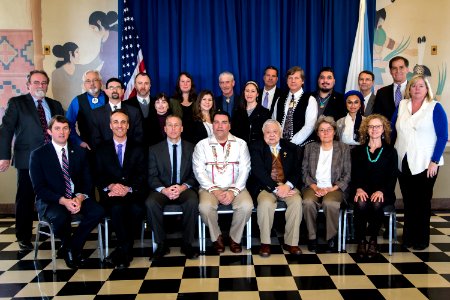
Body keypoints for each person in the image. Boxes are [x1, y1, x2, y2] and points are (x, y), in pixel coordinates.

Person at [0, 70, 64, 251]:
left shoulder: (55, 104)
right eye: (36, 82)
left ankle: (50, 230)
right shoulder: (17, 103)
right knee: (25, 198)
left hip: (52, 159)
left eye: (44, 83)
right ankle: (23, 236)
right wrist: (4, 155)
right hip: (27, 159)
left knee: (52, 195)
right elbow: (6, 130)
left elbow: (61, 130)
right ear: (28, 85)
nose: (40, 86)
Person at [29, 115, 104, 268]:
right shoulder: (38, 155)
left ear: (70, 131)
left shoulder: (80, 152)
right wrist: (64, 201)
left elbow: (87, 180)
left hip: (76, 197)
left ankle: (71, 246)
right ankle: (70, 249)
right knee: (61, 216)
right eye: (57, 128)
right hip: (52, 201)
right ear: (49, 131)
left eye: (65, 128)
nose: (61, 132)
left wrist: (80, 198)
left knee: (98, 211)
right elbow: (39, 188)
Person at [393, 74, 448, 250]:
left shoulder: (435, 107)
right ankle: (408, 236)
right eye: (414, 85)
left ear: (427, 89)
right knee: (408, 201)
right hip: (403, 161)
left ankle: (421, 239)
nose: (417, 88)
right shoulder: (402, 105)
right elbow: (393, 131)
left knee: (422, 202)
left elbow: (442, 136)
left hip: (426, 163)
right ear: (409, 88)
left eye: (421, 86)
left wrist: (434, 161)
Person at [193, 111, 253, 254]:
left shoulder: (241, 144)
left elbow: (245, 169)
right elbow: (198, 171)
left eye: (224, 122)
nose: (220, 126)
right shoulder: (202, 145)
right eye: (216, 122)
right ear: (212, 125)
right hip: (210, 188)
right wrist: (215, 190)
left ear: (230, 126)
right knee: (205, 207)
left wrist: (233, 191)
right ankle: (217, 237)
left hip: (236, 186)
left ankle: (234, 238)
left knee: (247, 205)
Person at [95, 110, 147, 269]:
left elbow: (142, 174)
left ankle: (122, 250)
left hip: (132, 193)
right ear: (110, 125)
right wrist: (111, 186)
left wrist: (128, 188)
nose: (120, 125)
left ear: (128, 125)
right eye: (116, 122)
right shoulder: (101, 148)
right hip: (111, 195)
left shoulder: (138, 147)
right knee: (117, 209)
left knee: (137, 209)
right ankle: (126, 250)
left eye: (123, 122)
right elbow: (97, 174)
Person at [146, 115, 199, 260]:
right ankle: (161, 244)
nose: (173, 128)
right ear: (165, 129)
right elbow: (151, 176)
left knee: (192, 201)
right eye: (170, 125)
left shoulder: (192, 148)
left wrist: (183, 187)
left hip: (184, 188)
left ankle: (187, 243)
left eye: (177, 125)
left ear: (182, 128)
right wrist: (164, 190)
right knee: (151, 203)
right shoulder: (154, 149)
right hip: (162, 190)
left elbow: (196, 174)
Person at [249, 119, 303, 257]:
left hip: (287, 185)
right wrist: (275, 188)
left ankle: (291, 243)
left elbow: (297, 171)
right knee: (266, 203)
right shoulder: (256, 147)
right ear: (263, 134)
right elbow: (258, 171)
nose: (271, 135)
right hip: (266, 187)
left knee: (296, 202)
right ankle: (265, 243)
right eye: (268, 132)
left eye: (275, 131)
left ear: (280, 133)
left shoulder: (291, 147)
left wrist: (287, 185)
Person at [302, 116, 351, 252]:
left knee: (330, 203)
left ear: (334, 131)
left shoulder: (343, 148)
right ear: (317, 133)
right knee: (308, 202)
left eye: (329, 130)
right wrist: (314, 186)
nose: (325, 133)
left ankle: (331, 238)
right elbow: (304, 172)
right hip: (314, 186)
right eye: (322, 130)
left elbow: (347, 174)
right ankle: (312, 238)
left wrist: (332, 188)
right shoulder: (310, 147)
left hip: (334, 187)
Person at [352, 115, 398, 258]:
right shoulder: (357, 151)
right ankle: (361, 240)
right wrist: (358, 188)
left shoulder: (391, 151)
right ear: (366, 129)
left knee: (377, 203)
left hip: (384, 191)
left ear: (383, 129)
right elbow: (353, 174)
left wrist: (381, 190)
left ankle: (373, 240)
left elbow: (392, 176)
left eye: (378, 126)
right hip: (362, 189)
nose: (374, 129)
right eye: (371, 126)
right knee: (361, 202)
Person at [91, 78, 143, 148]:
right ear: (106, 91)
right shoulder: (96, 114)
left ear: (122, 91)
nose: (114, 90)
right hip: (105, 155)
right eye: (111, 87)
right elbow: (95, 139)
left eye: (118, 87)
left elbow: (138, 137)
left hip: (129, 155)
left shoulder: (134, 112)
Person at [273, 66, 318, 146]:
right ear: (287, 81)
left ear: (302, 81)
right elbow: (274, 122)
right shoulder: (280, 99)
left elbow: (310, 126)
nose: (293, 81)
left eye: (296, 78)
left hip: (300, 146)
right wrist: (279, 141)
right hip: (279, 144)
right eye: (290, 78)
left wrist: (291, 143)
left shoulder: (310, 100)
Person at [66, 70, 106, 150]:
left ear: (100, 82)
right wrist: (79, 142)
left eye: (95, 80)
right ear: (84, 84)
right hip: (87, 148)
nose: (92, 84)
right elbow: (68, 125)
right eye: (88, 81)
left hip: (109, 147)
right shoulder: (77, 101)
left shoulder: (109, 98)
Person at [124, 72, 157, 150]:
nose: (143, 86)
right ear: (135, 85)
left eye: (146, 83)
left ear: (150, 85)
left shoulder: (158, 103)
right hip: (134, 149)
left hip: (155, 149)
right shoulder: (126, 105)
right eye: (140, 83)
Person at [373, 56, 409, 121]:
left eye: (401, 67)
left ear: (407, 69)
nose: (398, 71)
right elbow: (377, 117)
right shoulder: (381, 93)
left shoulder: (416, 90)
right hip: (388, 130)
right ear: (390, 71)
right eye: (394, 68)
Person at [89, 11, 118, 81]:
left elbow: (111, 64)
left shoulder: (115, 36)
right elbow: (99, 59)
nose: (93, 31)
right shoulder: (103, 39)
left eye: (93, 28)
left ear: (99, 23)